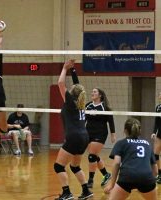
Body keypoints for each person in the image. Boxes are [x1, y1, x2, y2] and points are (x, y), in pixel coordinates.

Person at [54, 60, 93, 200]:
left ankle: (67, 192)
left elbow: (60, 83)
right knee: (75, 166)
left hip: (74, 137)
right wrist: (73, 70)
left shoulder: (70, 102)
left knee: (58, 166)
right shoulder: (81, 103)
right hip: (84, 137)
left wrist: (64, 68)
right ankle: (86, 191)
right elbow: (78, 87)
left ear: (71, 94)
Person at [104, 118, 157, 200]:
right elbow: (155, 168)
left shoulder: (121, 143)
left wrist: (112, 184)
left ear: (125, 130)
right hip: (146, 177)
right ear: (140, 130)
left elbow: (117, 163)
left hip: (127, 176)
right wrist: (150, 182)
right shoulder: (147, 144)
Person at [85, 88, 116, 188]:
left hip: (100, 133)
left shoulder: (105, 107)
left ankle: (90, 180)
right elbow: (83, 119)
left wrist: (113, 134)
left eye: (94, 92)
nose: (92, 93)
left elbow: (110, 121)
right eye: (92, 91)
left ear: (100, 95)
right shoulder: (88, 106)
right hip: (88, 133)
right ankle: (106, 174)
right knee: (94, 155)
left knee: (92, 156)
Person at [151, 91, 161, 184]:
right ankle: (160, 174)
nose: (160, 95)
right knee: (156, 154)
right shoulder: (158, 107)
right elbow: (157, 122)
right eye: (159, 93)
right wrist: (154, 132)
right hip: (160, 134)